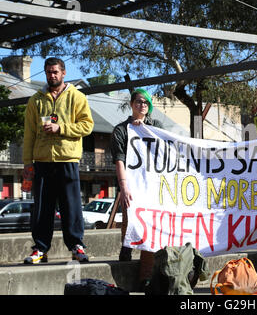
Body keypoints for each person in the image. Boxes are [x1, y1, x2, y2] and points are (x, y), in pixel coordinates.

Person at [22, 57, 94, 264]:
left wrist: (60, 128)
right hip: (42, 161)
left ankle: (77, 247)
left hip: (67, 159)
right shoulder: (35, 100)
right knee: (42, 208)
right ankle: (40, 250)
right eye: (48, 72)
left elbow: (87, 126)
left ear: (63, 73)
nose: (51, 75)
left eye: (55, 72)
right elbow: (29, 134)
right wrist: (28, 162)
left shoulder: (77, 97)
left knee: (71, 206)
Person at [110, 88, 163, 284]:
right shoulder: (121, 130)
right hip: (131, 182)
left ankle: (145, 277)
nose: (142, 105)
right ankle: (126, 248)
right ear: (132, 104)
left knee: (148, 224)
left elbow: (166, 149)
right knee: (130, 217)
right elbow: (119, 161)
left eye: (146, 103)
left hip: (152, 185)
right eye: (139, 101)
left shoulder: (156, 126)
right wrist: (124, 187)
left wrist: (145, 130)